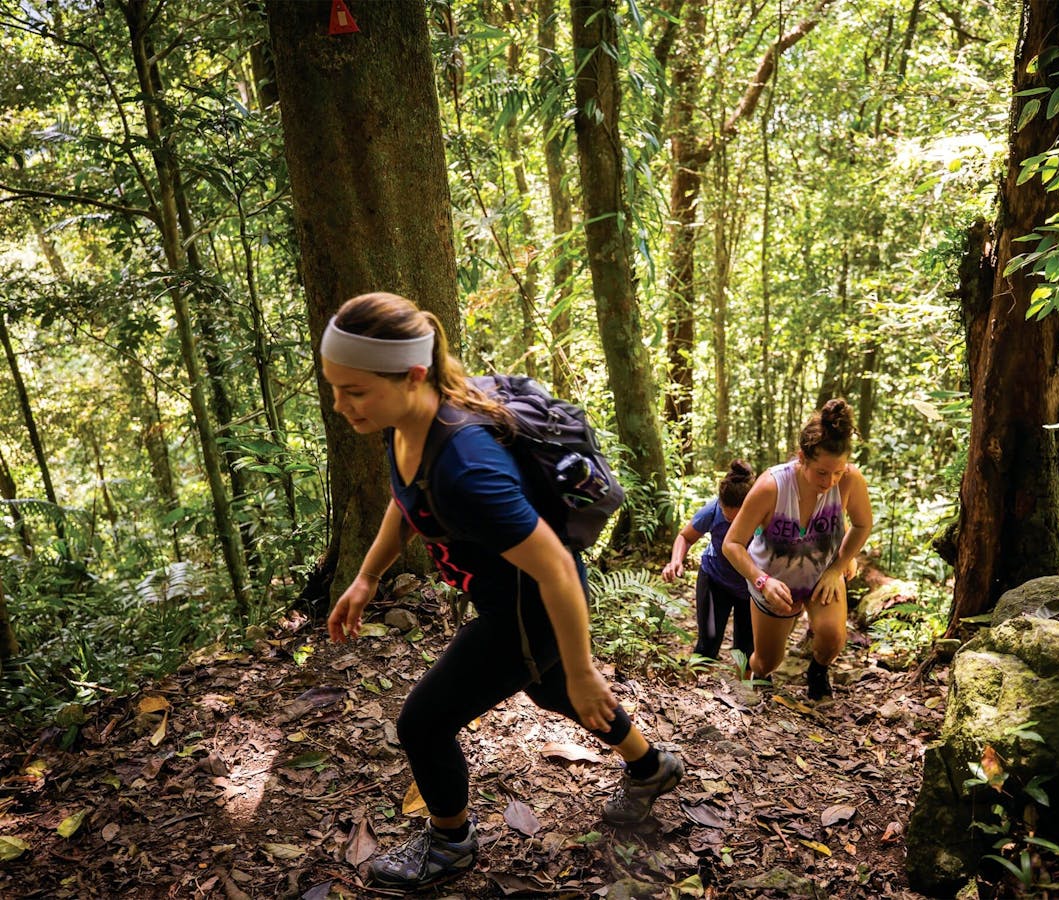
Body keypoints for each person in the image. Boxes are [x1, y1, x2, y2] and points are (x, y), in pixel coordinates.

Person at [320, 292, 683, 891]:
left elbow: (558, 570)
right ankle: (650, 766)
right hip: (512, 605)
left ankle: (450, 845)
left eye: (354, 390)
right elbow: (404, 498)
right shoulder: (408, 421)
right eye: (335, 388)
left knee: (423, 723)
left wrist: (585, 667)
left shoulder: (466, 469)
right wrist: (367, 576)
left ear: (412, 375)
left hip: (528, 613)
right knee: (549, 694)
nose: (341, 405)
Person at [722, 399, 873, 700]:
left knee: (833, 637)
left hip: (821, 575)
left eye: (837, 472)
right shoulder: (771, 486)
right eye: (821, 472)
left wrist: (838, 566)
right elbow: (732, 544)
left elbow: (862, 525)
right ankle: (752, 679)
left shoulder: (850, 481)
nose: (829, 482)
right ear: (802, 457)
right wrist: (762, 582)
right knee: (768, 660)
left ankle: (817, 671)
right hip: (773, 580)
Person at [661, 460, 755, 664]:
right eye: (728, 517)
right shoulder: (712, 510)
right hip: (715, 579)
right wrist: (675, 561)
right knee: (708, 643)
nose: (731, 522)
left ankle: (749, 691)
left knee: (747, 649)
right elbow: (685, 537)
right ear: (721, 502)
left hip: (750, 586)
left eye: (737, 519)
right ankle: (698, 691)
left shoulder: (764, 515)